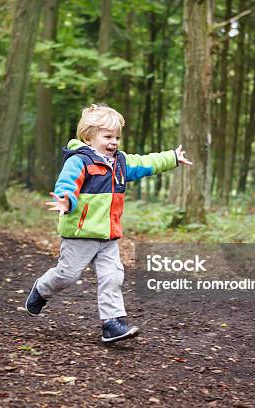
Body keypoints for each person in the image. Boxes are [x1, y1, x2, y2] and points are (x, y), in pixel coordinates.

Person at [25, 103, 193, 343]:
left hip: (108, 236)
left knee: (113, 276)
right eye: (107, 136)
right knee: (68, 275)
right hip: (80, 234)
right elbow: (67, 183)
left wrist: (171, 158)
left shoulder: (121, 163)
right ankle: (41, 289)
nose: (114, 142)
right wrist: (66, 200)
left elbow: (146, 163)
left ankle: (112, 323)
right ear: (89, 137)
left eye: (117, 137)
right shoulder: (79, 160)